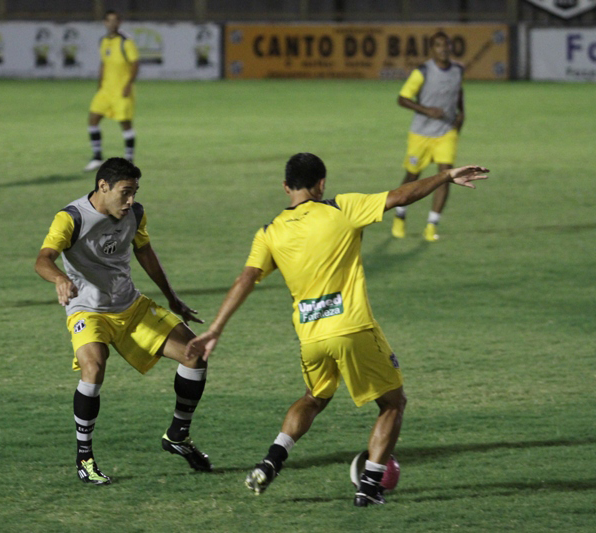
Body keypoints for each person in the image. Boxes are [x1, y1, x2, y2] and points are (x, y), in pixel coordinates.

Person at [186, 153, 487, 506]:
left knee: (314, 398)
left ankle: (272, 461)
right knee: (392, 402)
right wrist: (446, 175)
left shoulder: (269, 232)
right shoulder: (342, 208)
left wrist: (217, 328)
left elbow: (246, 278)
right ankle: (370, 488)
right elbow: (401, 196)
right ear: (322, 184)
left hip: (311, 337)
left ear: (286, 187)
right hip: (352, 328)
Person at [35, 157, 212, 485]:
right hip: (88, 310)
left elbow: (145, 252)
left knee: (195, 353)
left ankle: (177, 435)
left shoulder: (135, 214)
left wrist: (172, 298)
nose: (131, 201)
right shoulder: (71, 218)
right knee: (94, 367)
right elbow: (43, 259)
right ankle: (84, 458)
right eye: (125, 193)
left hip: (131, 307)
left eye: (135, 192)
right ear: (103, 186)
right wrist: (59, 279)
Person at [391, 31, 465, 242]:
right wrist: (427, 110)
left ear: (451, 46)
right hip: (421, 134)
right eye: (438, 45)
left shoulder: (458, 70)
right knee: (412, 176)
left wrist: (462, 114)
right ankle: (400, 215)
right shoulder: (422, 72)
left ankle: (432, 225)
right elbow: (402, 99)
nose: (443, 49)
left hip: (446, 132)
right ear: (432, 49)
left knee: (446, 175)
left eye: (446, 44)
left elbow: (458, 92)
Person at [84, 10, 140, 172]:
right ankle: (96, 157)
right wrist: (100, 83)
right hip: (105, 90)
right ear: (104, 22)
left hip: (121, 90)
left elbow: (135, 63)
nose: (112, 23)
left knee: (125, 124)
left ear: (119, 22)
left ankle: (129, 160)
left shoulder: (126, 42)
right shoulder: (102, 41)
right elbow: (103, 63)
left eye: (115, 20)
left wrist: (129, 84)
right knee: (93, 119)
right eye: (108, 20)